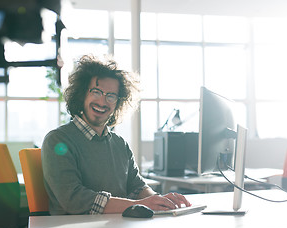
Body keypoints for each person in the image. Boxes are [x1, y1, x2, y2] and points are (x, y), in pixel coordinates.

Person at [41, 55, 191, 215]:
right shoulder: (57, 140)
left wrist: (159, 201)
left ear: (118, 103)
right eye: (96, 92)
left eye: (111, 96)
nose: (103, 102)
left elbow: (137, 187)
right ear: (82, 93)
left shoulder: (120, 144)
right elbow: (74, 199)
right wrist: (139, 204)